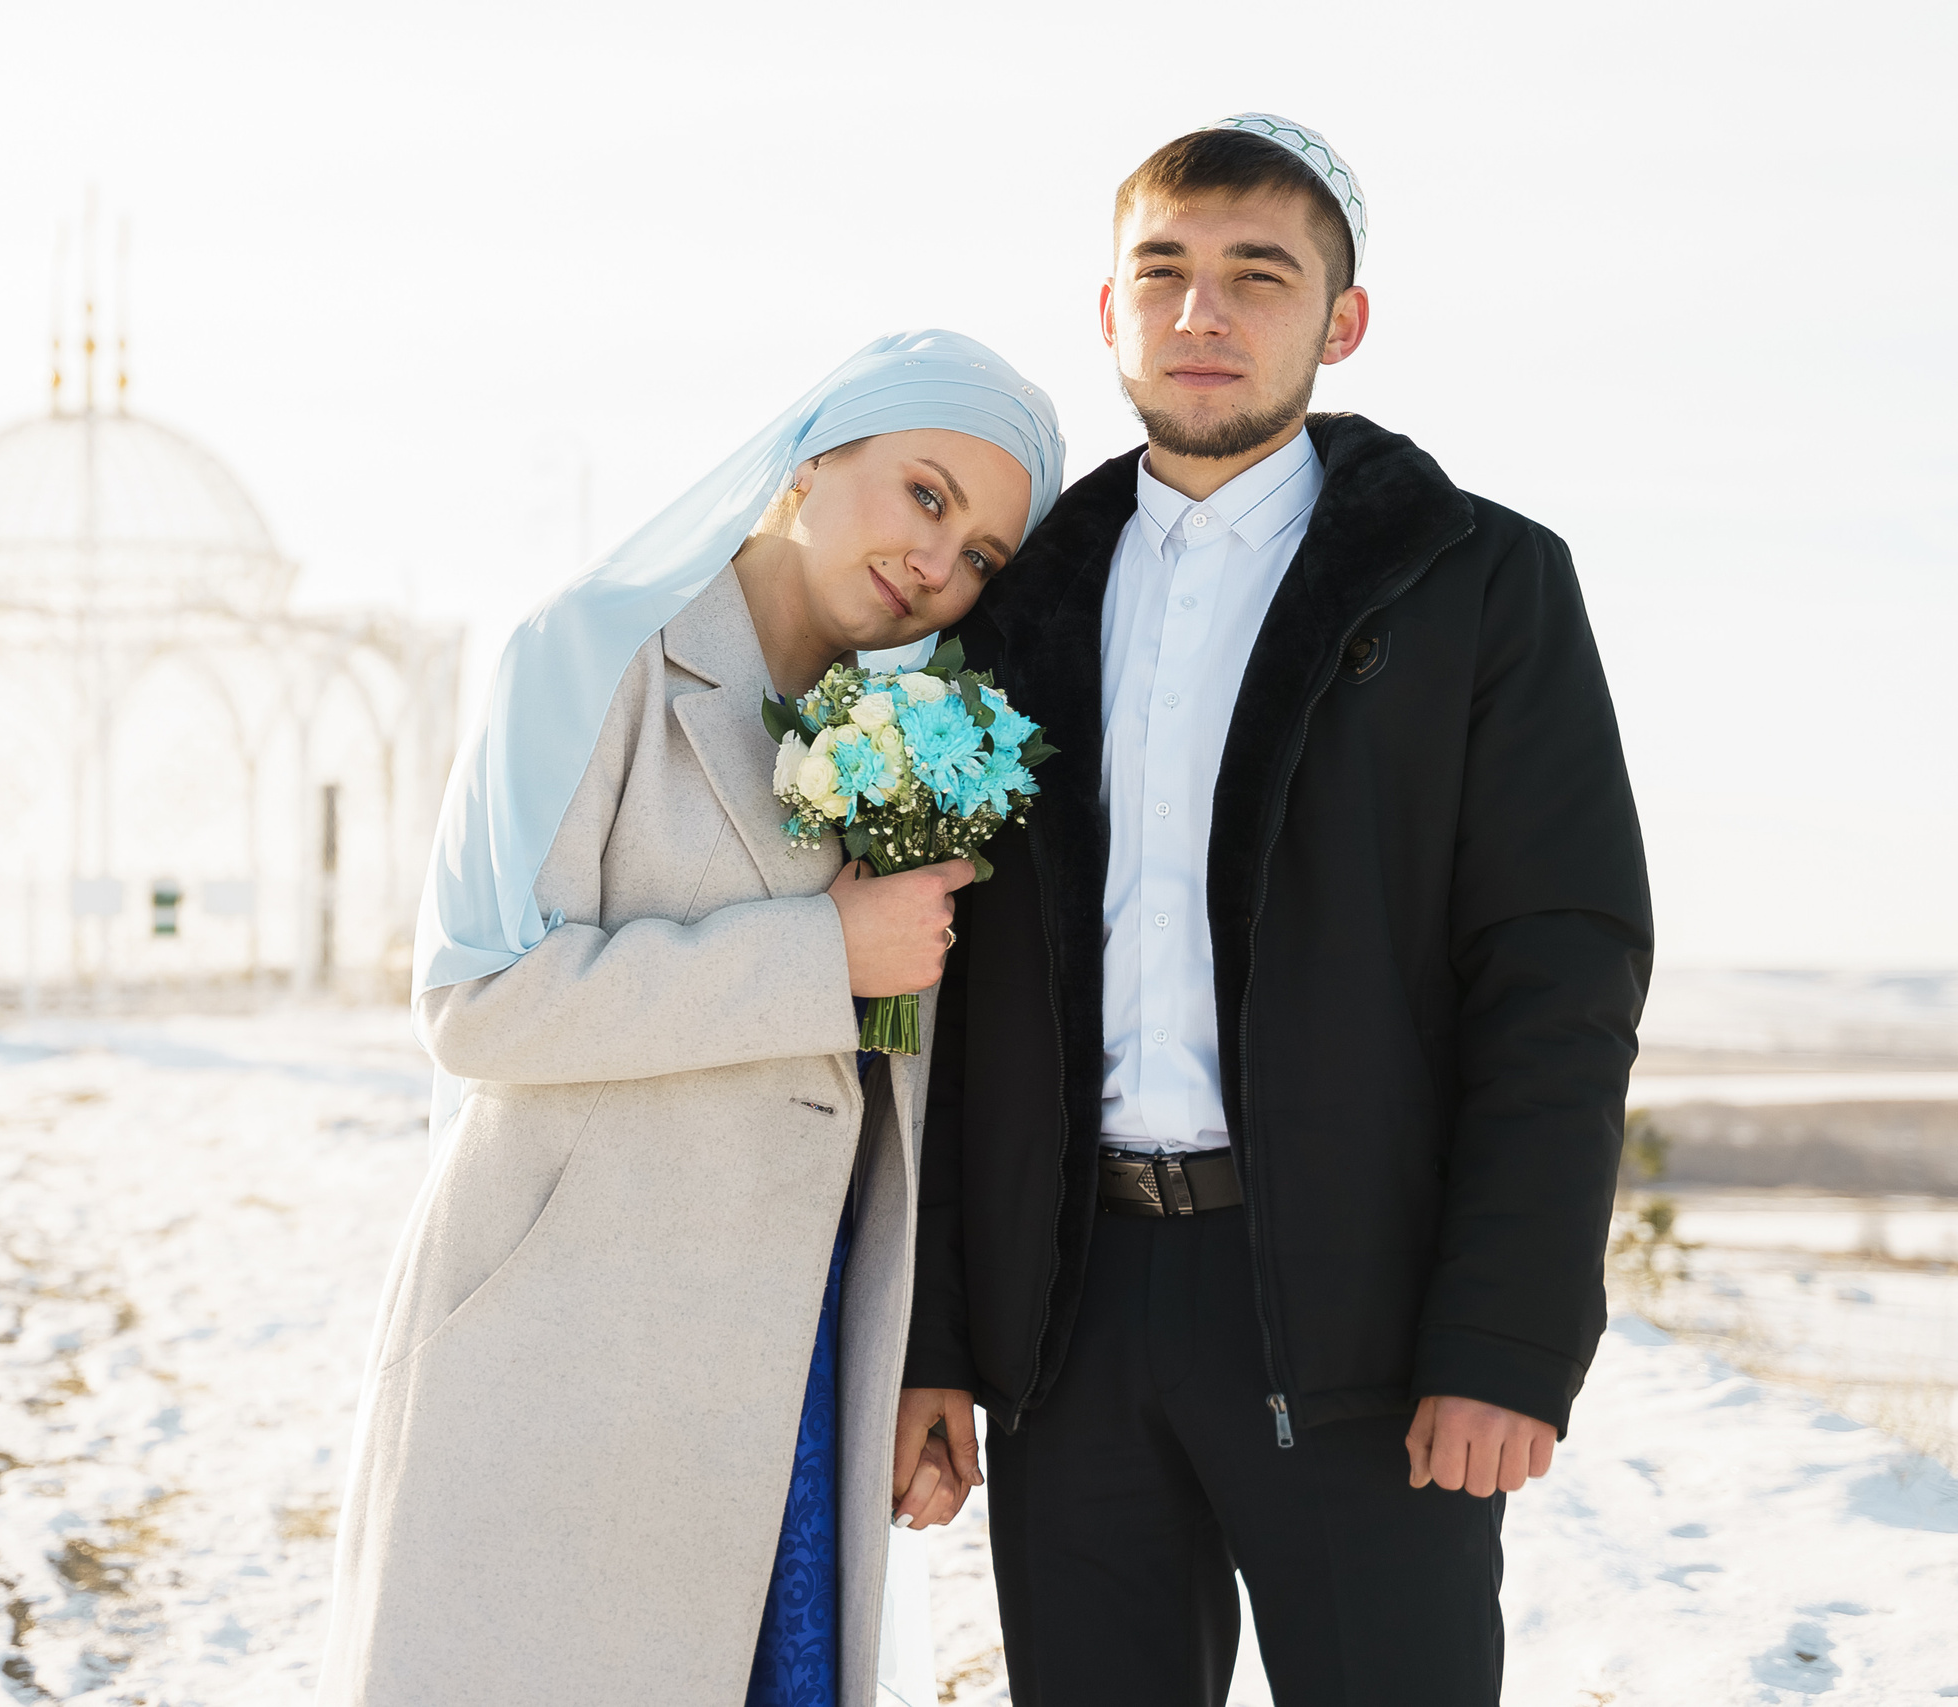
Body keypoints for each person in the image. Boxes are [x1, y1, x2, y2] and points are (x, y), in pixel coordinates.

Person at [898, 117, 1651, 1703]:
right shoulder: (1012, 607)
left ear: (1341, 320)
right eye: (1162, 272)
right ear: (1108, 309)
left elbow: (1558, 981)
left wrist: (1506, 1343)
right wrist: (937, 1337)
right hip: (1067, 1331)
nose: (1203, 314)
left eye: (1259, 274)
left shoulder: (1480, 586)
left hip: (1358, 1319)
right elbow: (954, 1003)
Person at [321, 331, 1065, 1707]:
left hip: (798, 1379)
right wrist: (823, 952)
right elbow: (478, 1002)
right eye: (925, 495)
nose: (938, 563)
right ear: (814, 456)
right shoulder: (590, 653)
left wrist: (913, 1356)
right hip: (568, 1352)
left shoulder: (917, 733)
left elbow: (895, 1094)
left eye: (981, 557)